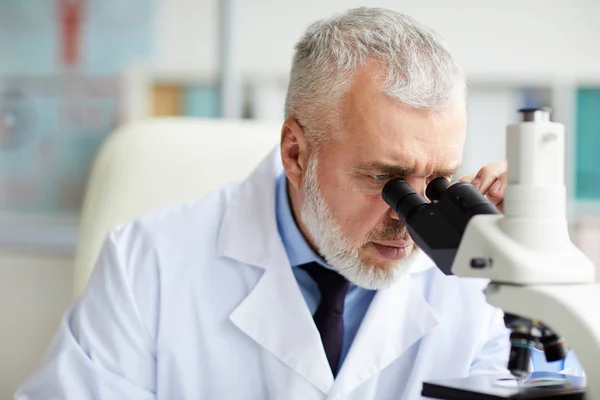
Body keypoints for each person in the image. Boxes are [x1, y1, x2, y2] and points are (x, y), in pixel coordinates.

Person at [16, 7, 513, 400]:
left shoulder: (484, 275)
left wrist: (542, 267)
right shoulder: (146, 263)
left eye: (440, 181)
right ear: (296, 153)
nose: (412, 221)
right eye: (386, 179)